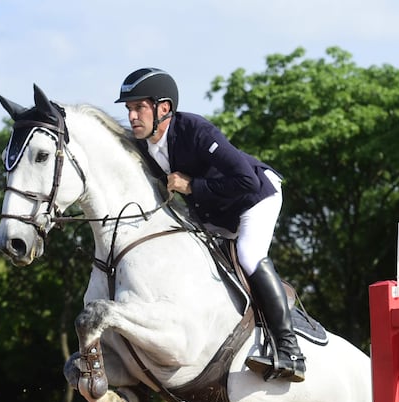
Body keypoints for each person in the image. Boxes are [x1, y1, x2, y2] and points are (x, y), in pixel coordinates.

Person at [115, 67, 305, 382]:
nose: (132, 116)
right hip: (216, 215)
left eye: (139, 107)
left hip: (256, 197)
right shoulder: (144, 147)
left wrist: (192, 187)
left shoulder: (195, 130)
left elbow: (244, 179)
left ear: (164, 108)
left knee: (248, 255)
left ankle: (289, 350)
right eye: (129, 109)